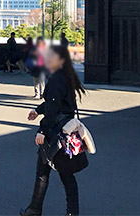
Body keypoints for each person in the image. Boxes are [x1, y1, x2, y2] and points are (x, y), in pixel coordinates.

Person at [20, 45, 87, 216]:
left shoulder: (57, 78)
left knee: (51, 173)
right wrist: (38, 110)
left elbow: (53, 108)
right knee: (60, 173)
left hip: (55, 133)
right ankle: (43, 209)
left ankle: (36, 209)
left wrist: (42, 130)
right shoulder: (65, 76)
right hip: (64, 130)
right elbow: (56, 103)